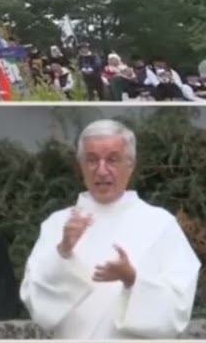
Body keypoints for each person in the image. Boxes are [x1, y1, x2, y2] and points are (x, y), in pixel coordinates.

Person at [19, 119, 199, 339]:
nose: (102, 170)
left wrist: (132, 280)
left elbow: (178, 308)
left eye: (112, 160)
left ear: (130, 165)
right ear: (81, 166)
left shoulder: (161, 225)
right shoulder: (57, 224)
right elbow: (37, 304)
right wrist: (63, 252)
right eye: (92, 160)